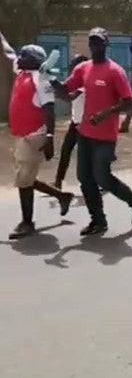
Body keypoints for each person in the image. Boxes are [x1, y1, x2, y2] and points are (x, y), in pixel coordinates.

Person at [52, 28, 132, 236]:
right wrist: (51, 81)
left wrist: (106, 114)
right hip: (85, 133)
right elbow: (66, 91)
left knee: (102, 177)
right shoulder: (83, 69)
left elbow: (129, 102)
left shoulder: (115, 71)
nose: (95, 45)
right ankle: (98, 220)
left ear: (106, 44)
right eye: (92, 41)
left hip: (105, 136)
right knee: (85, 178)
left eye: (99, 41)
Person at [8, 45, 73, 240]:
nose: (19, 58)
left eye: (23, 55)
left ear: (34, 60)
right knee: (25, 178)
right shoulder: (21, 70)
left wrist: (50, 137)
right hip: (21, 134)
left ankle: (27, 222)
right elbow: (9, 52)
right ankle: (62, 196)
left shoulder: (40, 79)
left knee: (24, 179)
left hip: (34, 135)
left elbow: (49, 109)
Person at [54, 55, 88, 189]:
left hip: (86, 124)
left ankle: (97, 182)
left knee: (86, 156)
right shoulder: (76, 82)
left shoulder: (87, 83)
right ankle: (58, 181)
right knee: (65, 151)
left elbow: (70, 97)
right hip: (76, 122)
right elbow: (65, 92)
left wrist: (55, 84)